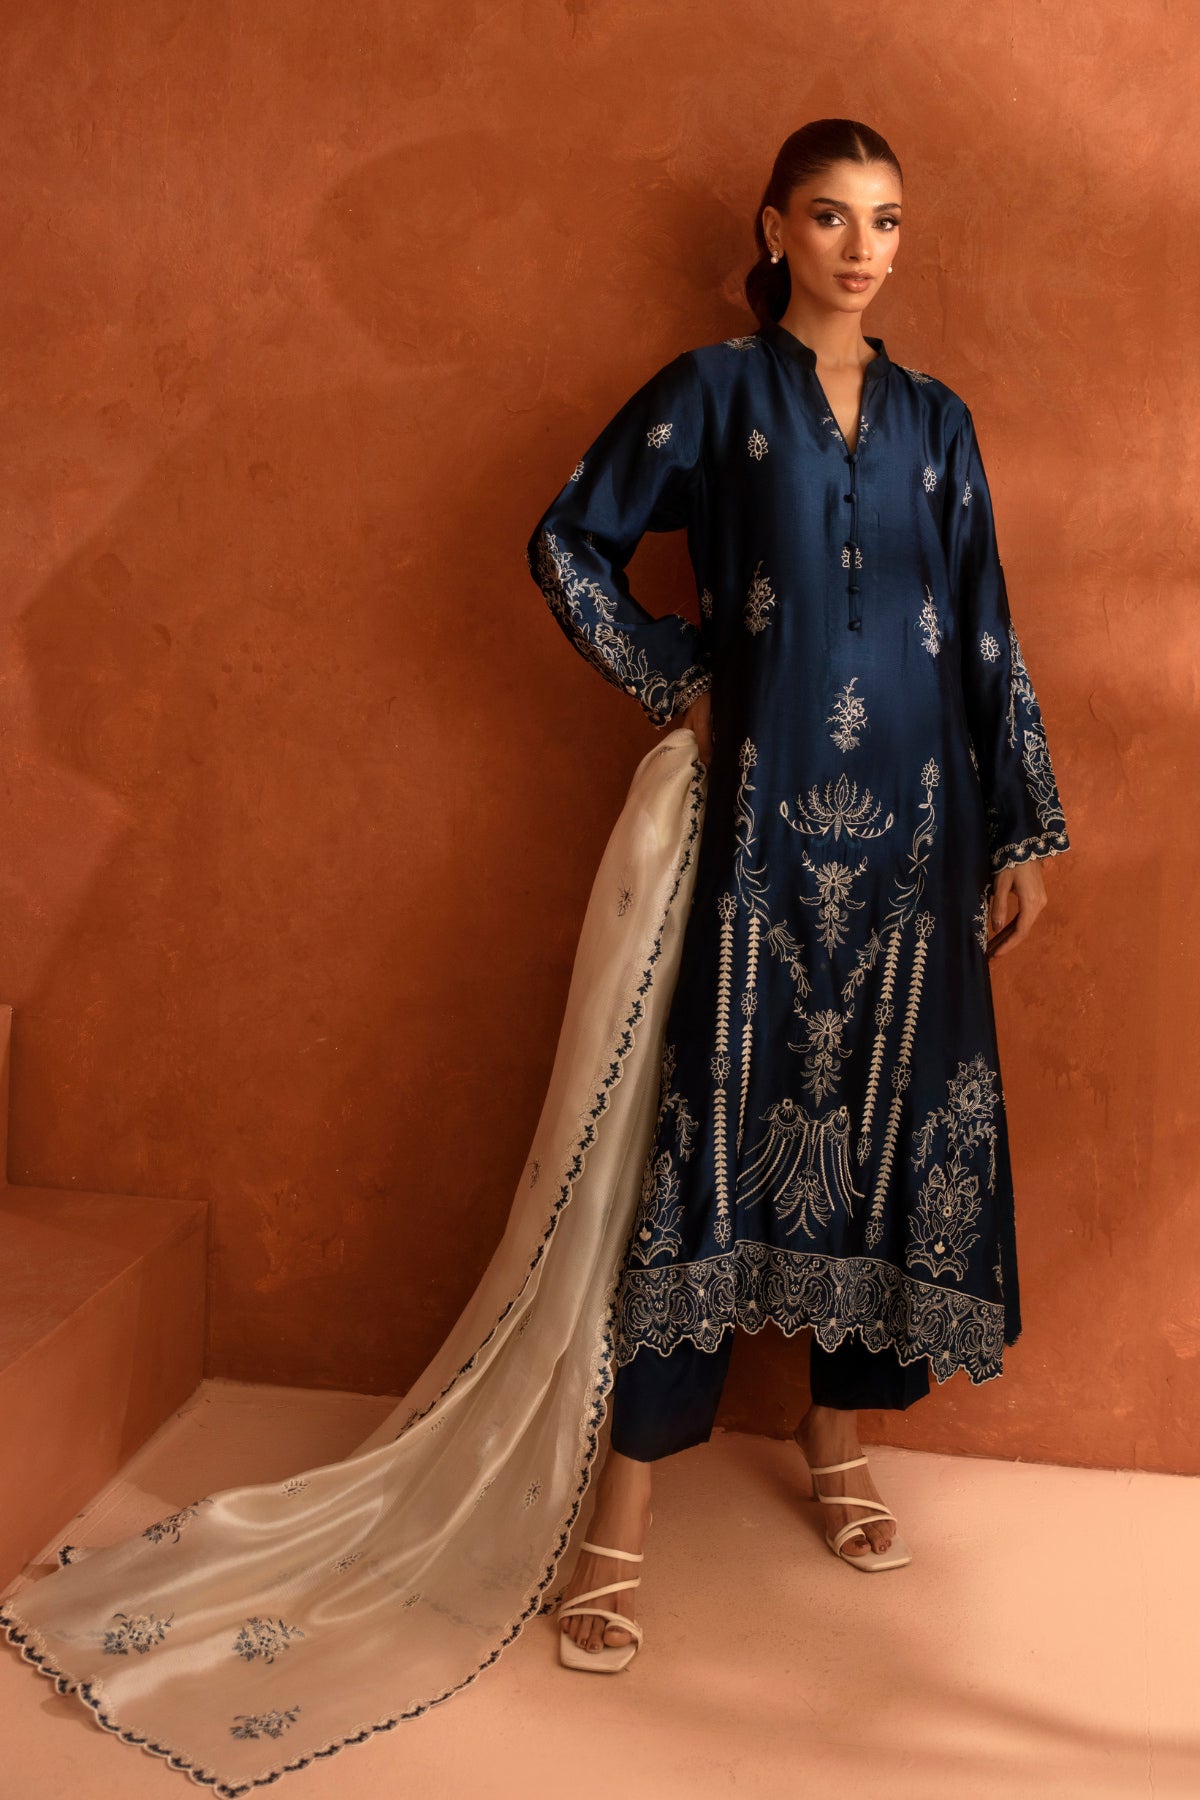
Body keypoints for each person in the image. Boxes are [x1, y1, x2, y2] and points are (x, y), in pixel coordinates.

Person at [524, 118, 1071, 1667]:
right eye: (828, 216)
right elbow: (568, 544)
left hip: (921, 839)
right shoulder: (715, 392)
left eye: (885, 219)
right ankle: (619, 1520)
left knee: (890, 1127)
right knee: (720, 1120)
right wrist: (674, 680)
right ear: (777, 227)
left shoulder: (938, 422)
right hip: (764, 839)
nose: (859, 246)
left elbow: (982, 629)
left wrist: (1025, 829)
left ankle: (840, 1450)